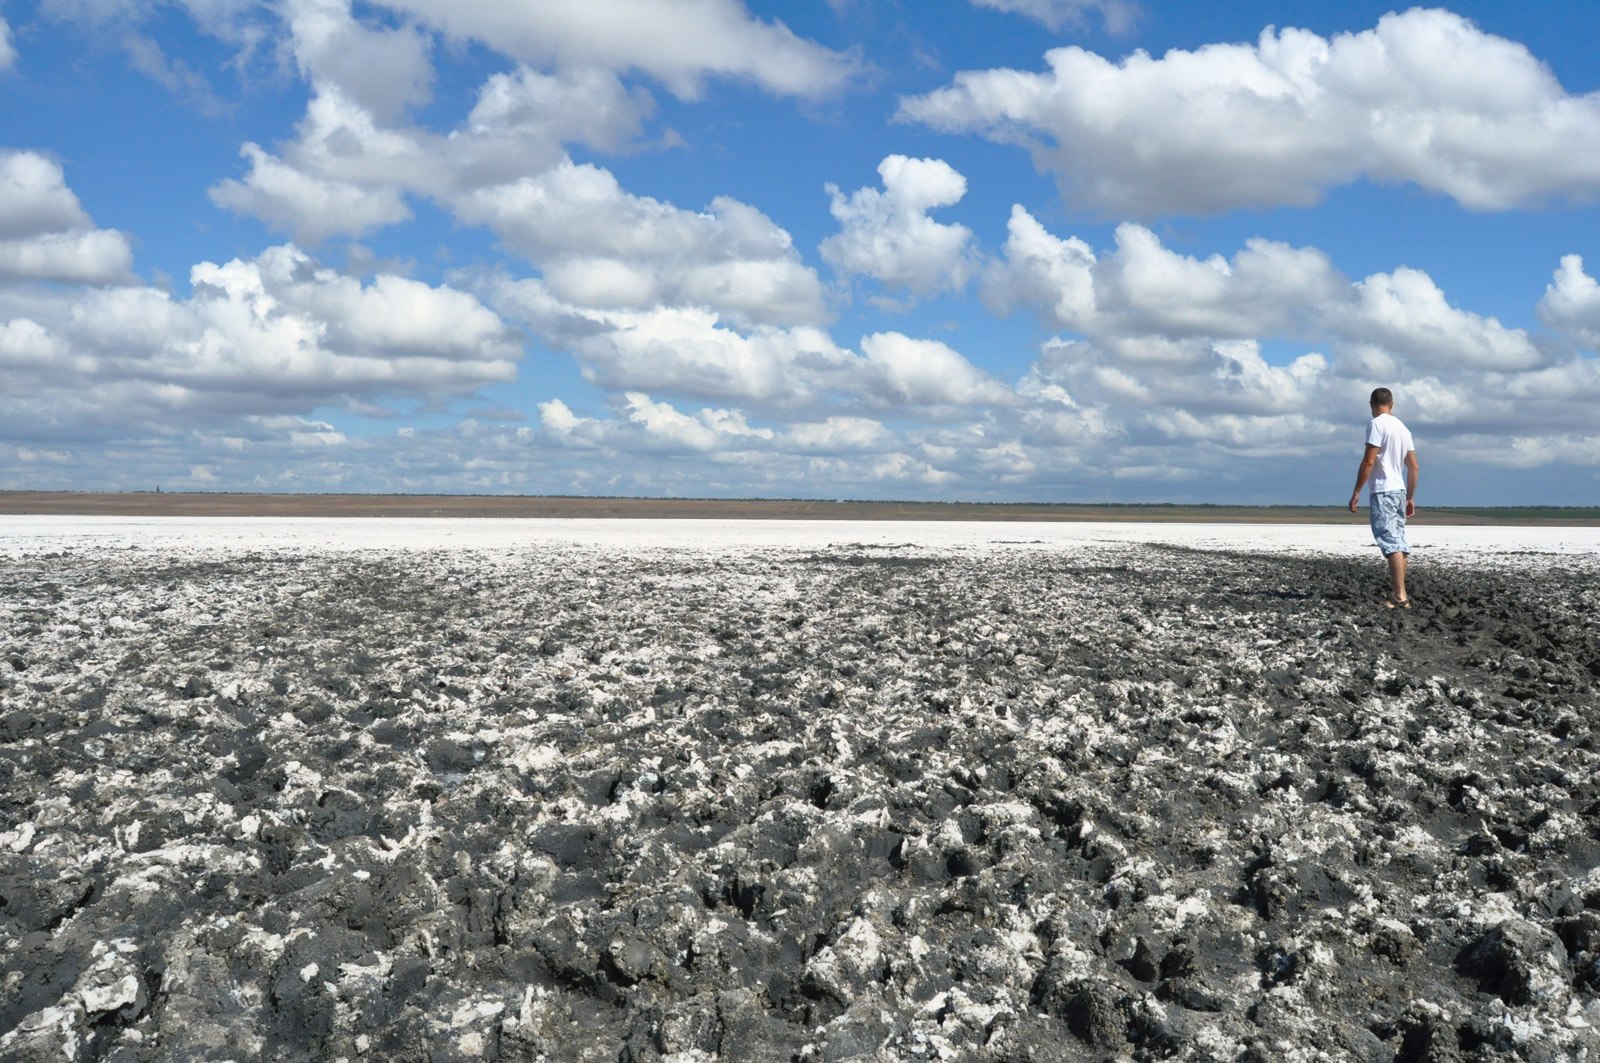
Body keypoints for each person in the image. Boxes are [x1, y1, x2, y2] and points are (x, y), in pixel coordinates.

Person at [1348, 387, 1420, 608]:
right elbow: (1414, 467)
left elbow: (1369, 461)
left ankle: (1400, 596)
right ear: (1392, 404)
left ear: (1371, 405)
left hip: (1383, 490)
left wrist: (1357, 491)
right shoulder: (1403, 428)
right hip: (1398, 491)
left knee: (1390, 542)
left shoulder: (1377, 424)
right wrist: (1409, 497)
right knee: (1398, 541)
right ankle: (1399, 593)